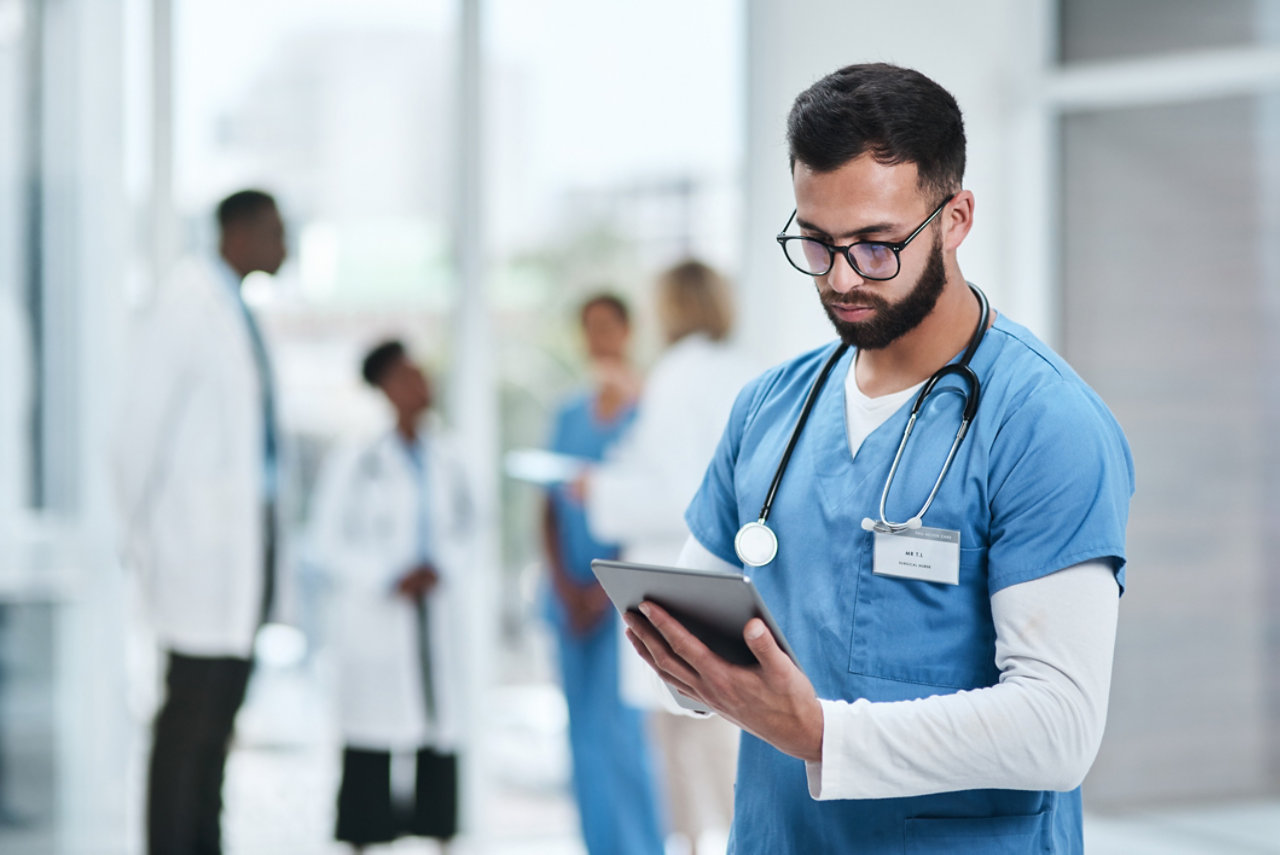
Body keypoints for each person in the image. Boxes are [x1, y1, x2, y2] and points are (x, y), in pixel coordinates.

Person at [622, 63, 1134, 854]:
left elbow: (1059, 727)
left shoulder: (1043, 424)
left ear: (955, 217)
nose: (842, 277)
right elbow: (699, 648)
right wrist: (685, 667)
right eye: (817, 244)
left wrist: (821, 731)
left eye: (875, 245)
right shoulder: (770, 410)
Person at [113, 189, 287, 855]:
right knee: (188, 727)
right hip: (196, 558)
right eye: (276, 231)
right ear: (238, 232)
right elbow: (133, 437)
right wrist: (146, 541)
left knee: (215, 730)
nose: (285, 245)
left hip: (238, 558)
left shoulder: (236, 310)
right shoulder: (187, 305)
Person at [580, 261, 756, 854]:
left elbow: (685, 498)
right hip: (737, 589)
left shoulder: (678, 377)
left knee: (690, 781)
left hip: (679, 588)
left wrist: (600, 491)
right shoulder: (743, 370)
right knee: (732, 774)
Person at [309, 340, 472, 852]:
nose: (420, 385)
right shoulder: (356, 459)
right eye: (405, 377)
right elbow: (325, 541)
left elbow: (470, 529)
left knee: (438, 736)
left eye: (421, 374)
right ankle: (363, 840)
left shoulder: (449, 456)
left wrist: (440, 567)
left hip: (434, 613)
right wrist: (387, 575)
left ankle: (440, 838)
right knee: (372, 744)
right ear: (384, 389)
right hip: (379, 616)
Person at [540, 294, 665, 855]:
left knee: (625, 736)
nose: (598, 338)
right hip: (569, 600)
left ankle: (640, 846)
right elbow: (548, 504)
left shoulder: (650, 411)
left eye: (607, 326)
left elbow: (647, 504)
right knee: (582, 738)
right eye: (587, 328)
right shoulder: (568, 413)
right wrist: (565, 586)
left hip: (621, 597)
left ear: (629, 330)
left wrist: (601, 588)